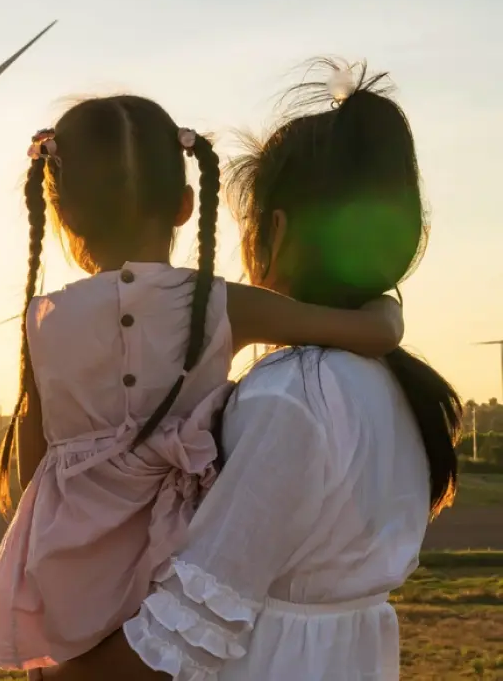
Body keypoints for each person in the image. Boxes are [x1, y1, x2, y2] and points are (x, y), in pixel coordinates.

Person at [30, 65, 462, 681]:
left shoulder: (292, 396)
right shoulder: (392, 388)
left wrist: (55, 674)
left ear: (277, 233)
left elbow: (192, 624)